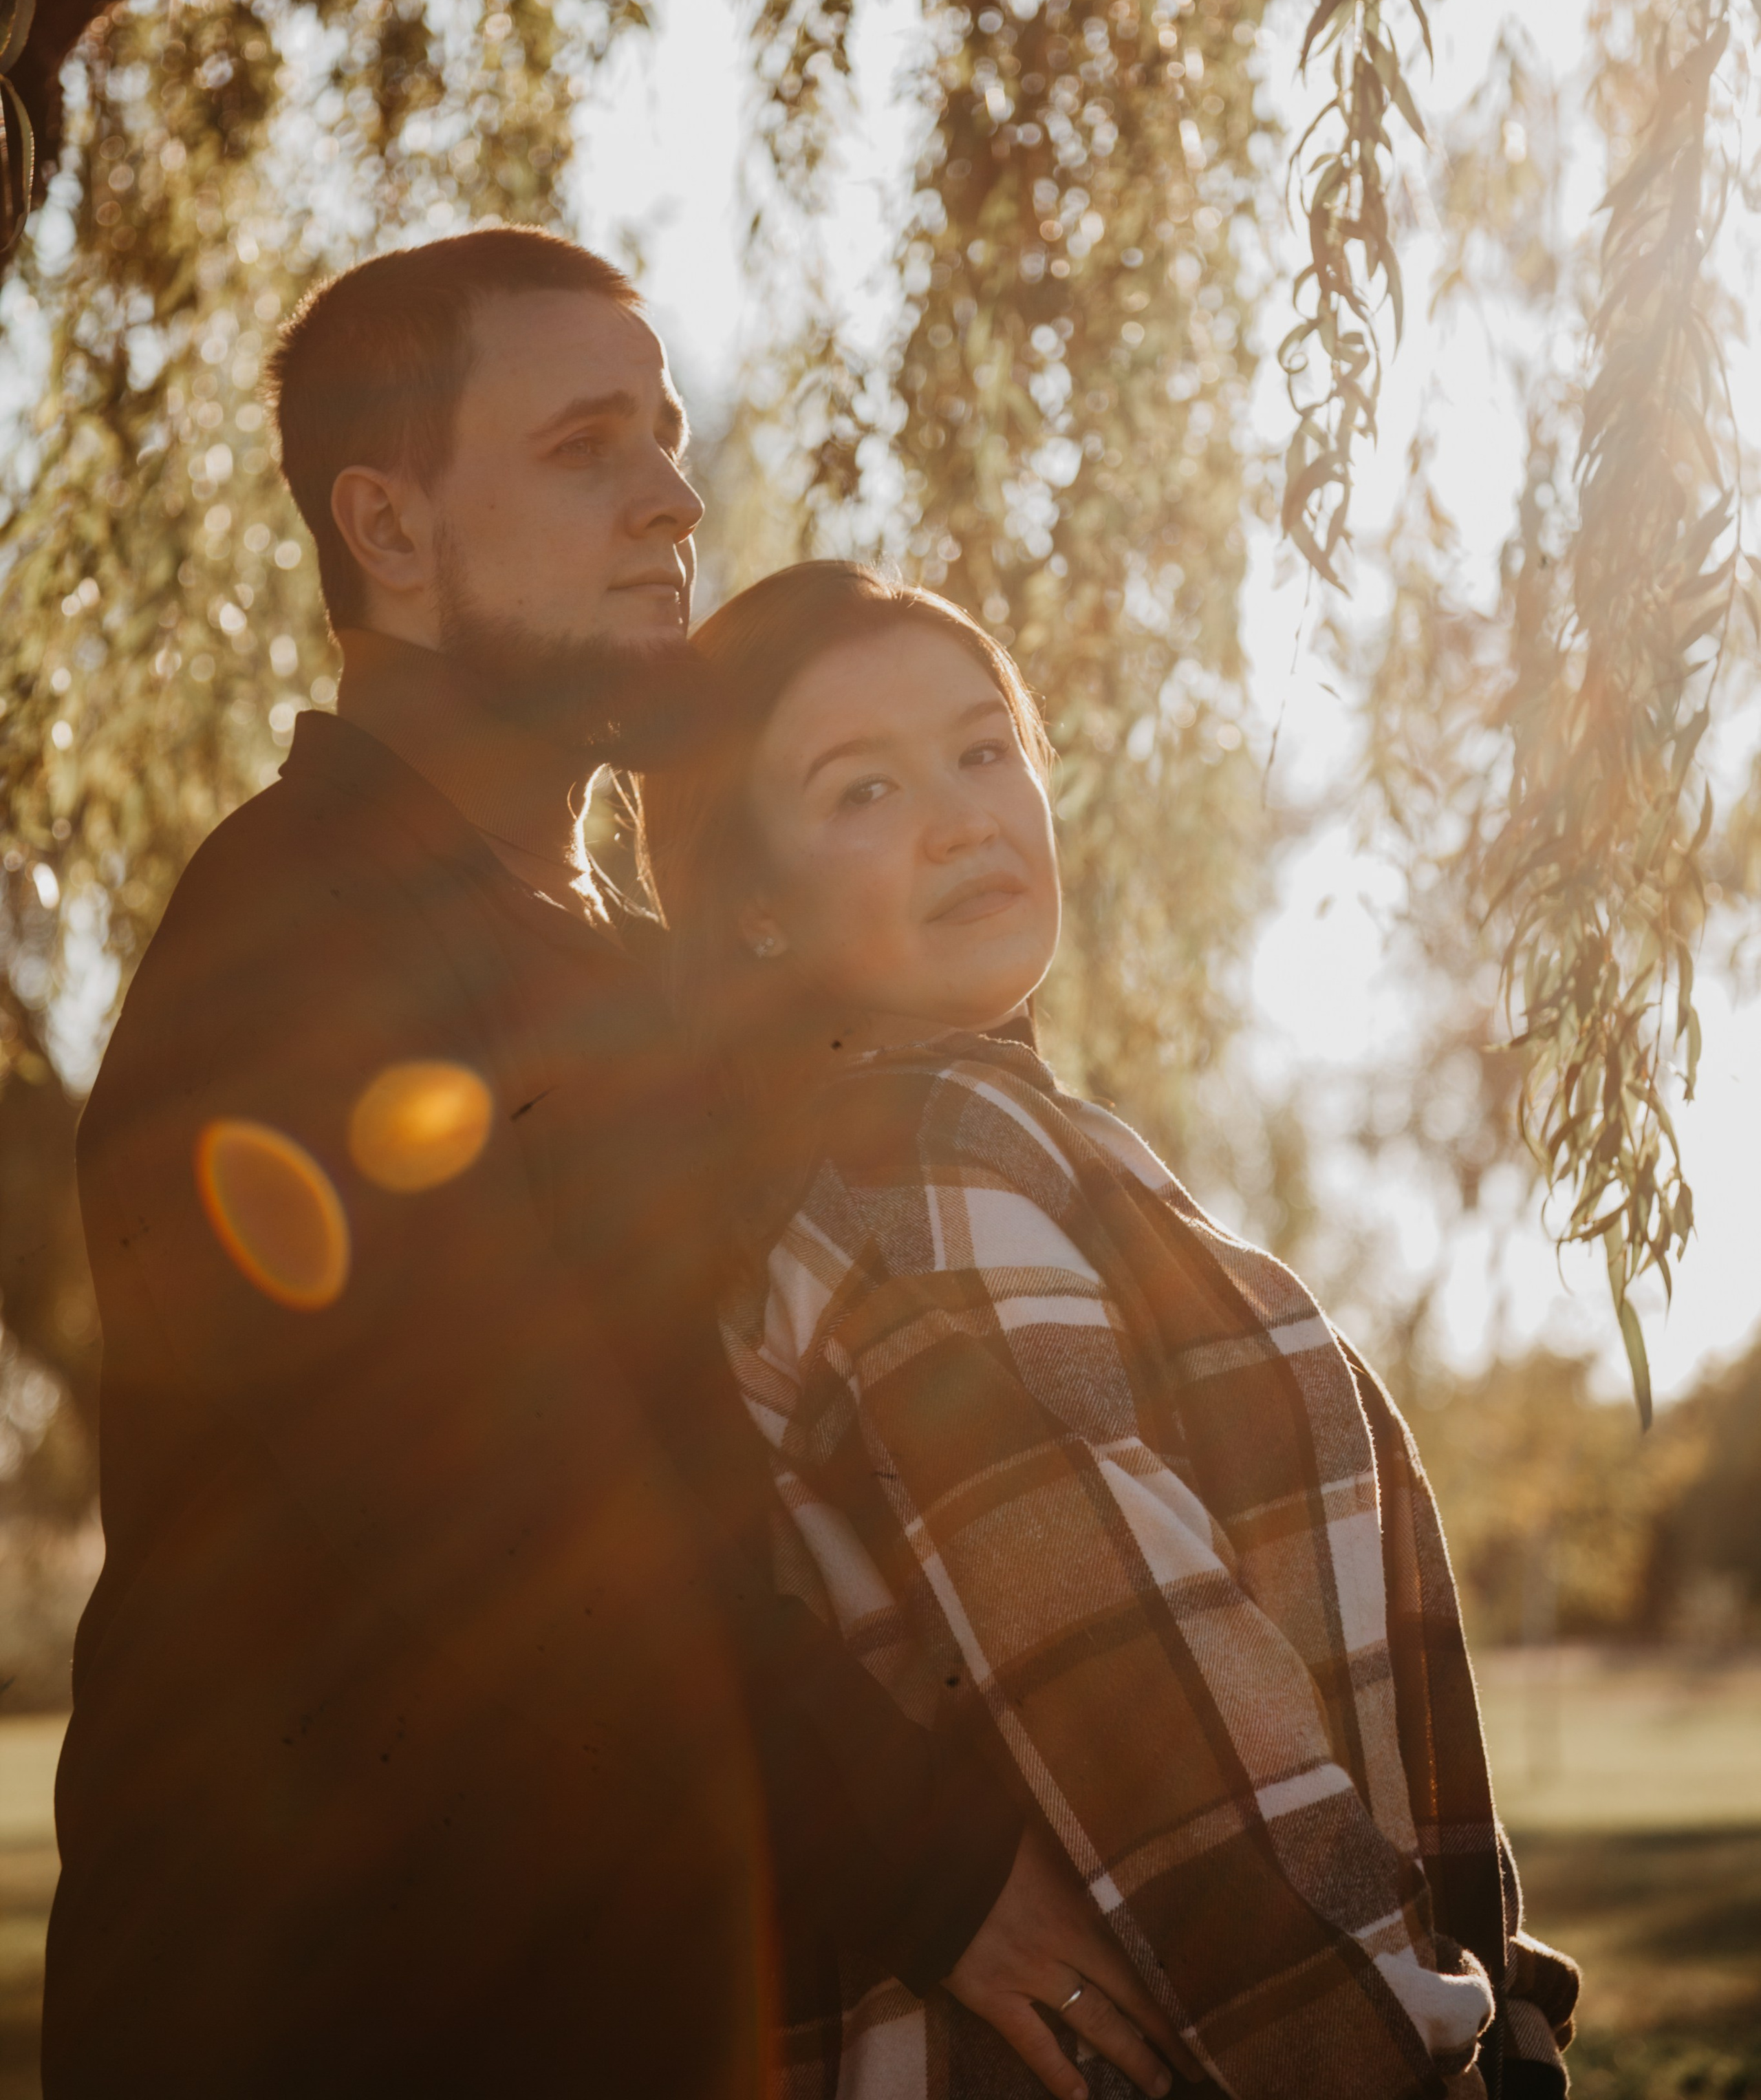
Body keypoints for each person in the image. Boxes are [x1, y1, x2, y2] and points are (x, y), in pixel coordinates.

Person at [43, 233, 1175, 2097]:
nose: (673, 494)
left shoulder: (637, 982)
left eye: (664, 435)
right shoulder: (288, 953)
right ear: (389, 531)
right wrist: (939, 1866)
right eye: (585, 448)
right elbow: (521, 1534)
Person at [638, 559, 1583, 2100]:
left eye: (982, 749)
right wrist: (1397, 2050)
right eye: (862, 789)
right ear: (751, 910)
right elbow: (1150, 1714)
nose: (962, 816)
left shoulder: (1004, 1142)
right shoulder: (921, 1170)